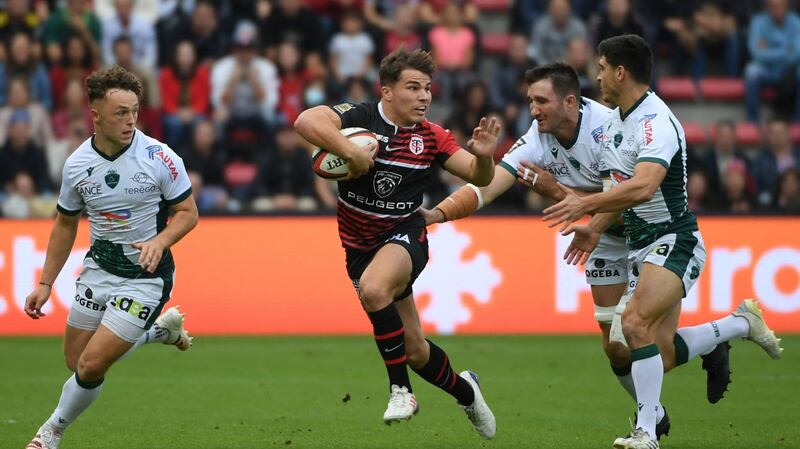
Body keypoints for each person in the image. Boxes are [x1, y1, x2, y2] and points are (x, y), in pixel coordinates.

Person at [424, 61, 740, 440]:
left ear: (571, 102)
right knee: (616, 350)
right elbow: (486, 188)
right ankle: (654, 410)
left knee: (647, 340)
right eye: (530, 101)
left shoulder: (610, 127)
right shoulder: (537, 138)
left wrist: (562, 196)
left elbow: (629, 193)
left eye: (541, 101)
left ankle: (657, 411)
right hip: (602, 234)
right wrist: (437, 214)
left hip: (644, 231)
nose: (533, 109)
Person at [543, 34, 783, 449]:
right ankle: (739, 323)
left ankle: (646, 433)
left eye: (601, 68)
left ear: (621, 72)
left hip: (674, 239)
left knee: (633, 324)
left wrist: (584, 202)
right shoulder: (616, 122)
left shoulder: (656, 122)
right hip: (641, 248)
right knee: (658, 352)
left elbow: (643, 186)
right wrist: (596, 225)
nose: (596, 76)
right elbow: (619, 192)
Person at [294, 47, 498, 438]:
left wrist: (486, 157)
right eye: (413, 88)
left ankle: (401, 390)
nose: (424, 96)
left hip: (405, 234)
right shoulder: (360, 117)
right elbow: (306, 121)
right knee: (416, 349)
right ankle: (467, 391)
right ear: (386, 91)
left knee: (374, 289)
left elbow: (477, 173)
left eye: (427, 88)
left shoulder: (432, 137)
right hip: (358, 248)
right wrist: (348, 149)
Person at [23, 66, 198, 449]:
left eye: (134, 110)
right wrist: (45, 283)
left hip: (145, 275)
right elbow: (65, 224)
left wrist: (160, 241)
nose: (130, 120)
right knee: (76, 359)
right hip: (98, 269)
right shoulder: (77, 165)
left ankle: (48, 434)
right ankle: (158, 333)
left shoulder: (160, 157)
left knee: (91, 366)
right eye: (120, 112)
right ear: (96, 114)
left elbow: (188, 213)